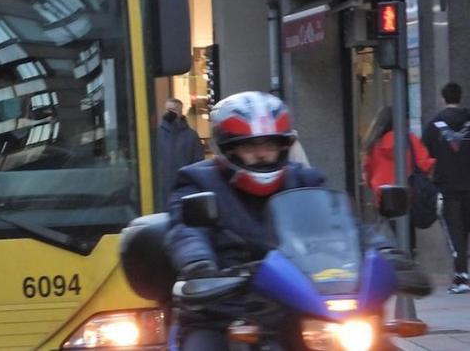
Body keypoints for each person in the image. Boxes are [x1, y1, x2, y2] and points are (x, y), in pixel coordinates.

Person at [165, 91, 426, 349]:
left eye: (271, 145)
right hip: (226, 308)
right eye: (250, 146)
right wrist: (199, 266)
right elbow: (187, 231)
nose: (262, 154)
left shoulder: (306, 179)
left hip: (302, 309)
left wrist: (386, 252)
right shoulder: (198, 182)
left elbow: (347, 225)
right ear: (228, 149)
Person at [364, 106, 434, 253]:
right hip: (406, 196)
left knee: (389, 235)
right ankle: (408, 258)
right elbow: (425, 164)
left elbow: (368, 173)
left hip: (383, 197)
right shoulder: (409, 139)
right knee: (407, 239)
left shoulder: (373, 144)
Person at [422, 82, 470, 294]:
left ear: (443, 98)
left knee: (455, 232)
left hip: (447, 186)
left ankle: (461, 277)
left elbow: (426, 156)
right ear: (460, 97)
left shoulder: (434, 124)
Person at [155, 98, 204, 210]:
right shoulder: (156, 135)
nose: (169, 113)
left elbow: (198, 162)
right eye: (167, 110)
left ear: (180, 112)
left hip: (183, 188)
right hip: (162, 189)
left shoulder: (191, 136)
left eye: (173, 110)